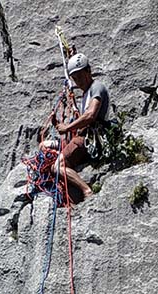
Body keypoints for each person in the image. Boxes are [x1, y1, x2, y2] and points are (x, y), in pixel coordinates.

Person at [52, 52, 110, 200]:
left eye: (80, 76)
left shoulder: (97, 87)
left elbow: (90, 115)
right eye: (75, 79)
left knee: (57, 166)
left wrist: (68, 127)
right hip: (82, 137)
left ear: (88, 71)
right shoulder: (86, 94)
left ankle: (86, 190)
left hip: (88, 138)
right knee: (45, 146)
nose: (78, 82)